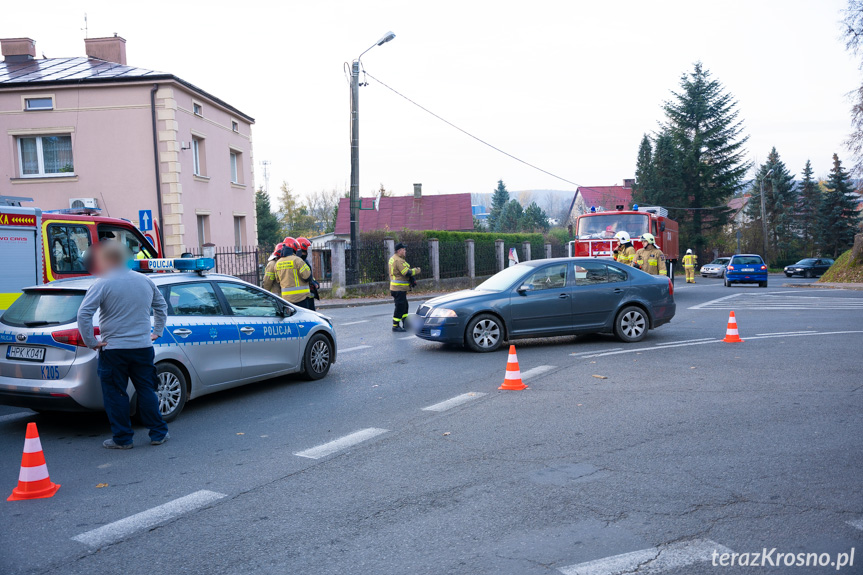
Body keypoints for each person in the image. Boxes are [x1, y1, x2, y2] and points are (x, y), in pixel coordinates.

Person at [76, 241, 169, 449]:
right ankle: (158, 433)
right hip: (143, 347)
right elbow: (161, 307)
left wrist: (91, 342)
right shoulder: (145, 281)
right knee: (147, 390)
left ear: (107, 259)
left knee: (116, 393)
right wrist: (157, 332)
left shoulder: (102, 283)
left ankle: (123, 439)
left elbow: (84, 314)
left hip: (114, 349)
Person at [388, 243, 420, 332]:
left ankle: (405, 322)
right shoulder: (398, 260)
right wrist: (417, 270)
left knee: (405, 306)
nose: (405, 251)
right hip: (398, 289)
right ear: (399, 251)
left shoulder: (395, 258)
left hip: (399, 288)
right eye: (403, 250)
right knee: (400, 307)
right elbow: (406, 272)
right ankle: (395, 326)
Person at [276, 237, 313, 309]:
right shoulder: (297, 260)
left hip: (286, 299)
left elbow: (278, 280)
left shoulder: (278, 263)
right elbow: (307, 276)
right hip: (301, 298)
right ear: (294, 248)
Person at [295, 237, 321, 311]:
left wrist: (314, 282)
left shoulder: (304, 261)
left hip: (308, 294)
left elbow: (309, 275)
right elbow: (305, 276)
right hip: (303, 296)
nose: (306, 253)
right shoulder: (298, 262)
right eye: (304, 251)